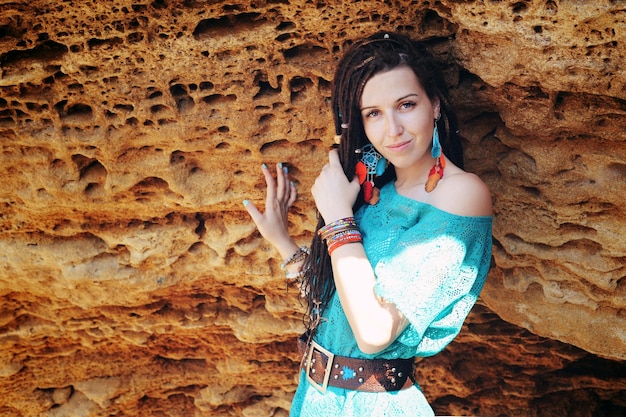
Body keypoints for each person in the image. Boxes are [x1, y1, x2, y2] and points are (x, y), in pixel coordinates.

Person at [243, 32, 493, 417]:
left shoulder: (461, 195)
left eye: (406, 105)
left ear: (436, 105)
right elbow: (338, 306)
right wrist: (282, 241)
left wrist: (339, 220)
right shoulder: (377, 192)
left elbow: (375, 333)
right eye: (373, 113)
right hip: (313, 399)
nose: (391, 129)